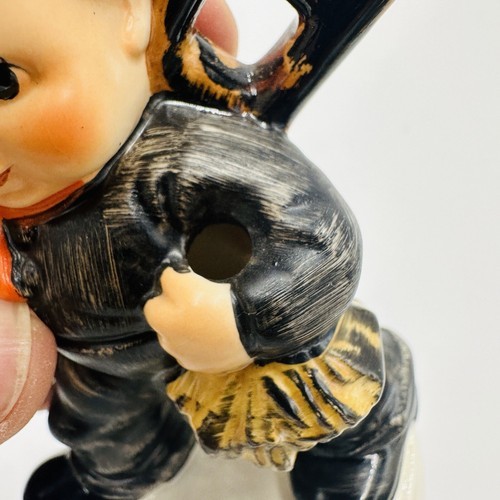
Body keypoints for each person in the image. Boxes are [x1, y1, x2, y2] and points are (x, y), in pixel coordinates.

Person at [0, 1, 416, 498]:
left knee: (307, 392)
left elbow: (320, 235)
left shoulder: (181, 157)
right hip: (101, 367)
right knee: (101, 434)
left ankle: (362, 439)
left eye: (5, 84)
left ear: (130, 15)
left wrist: (241, 318)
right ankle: (116, 479)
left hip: (245, 344)